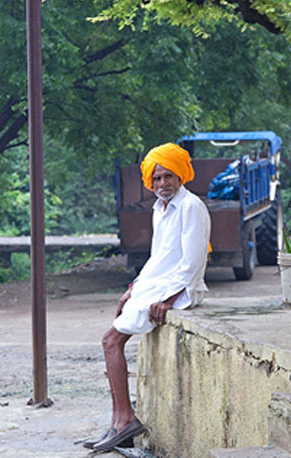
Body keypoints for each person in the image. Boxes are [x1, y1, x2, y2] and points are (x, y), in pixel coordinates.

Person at [83, 142, 211, 451]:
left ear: (180, 176)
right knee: (113, 334)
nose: (162, 184)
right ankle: (117, 422)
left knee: (110, 340)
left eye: (168, 177)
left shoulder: (191, 206)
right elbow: (158, 259)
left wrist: (167, 300)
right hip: (156, 286)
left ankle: (126, 419)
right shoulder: (160, 209)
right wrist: (133, 288)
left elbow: (192, 263)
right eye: (157, 179)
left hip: (179, 290)